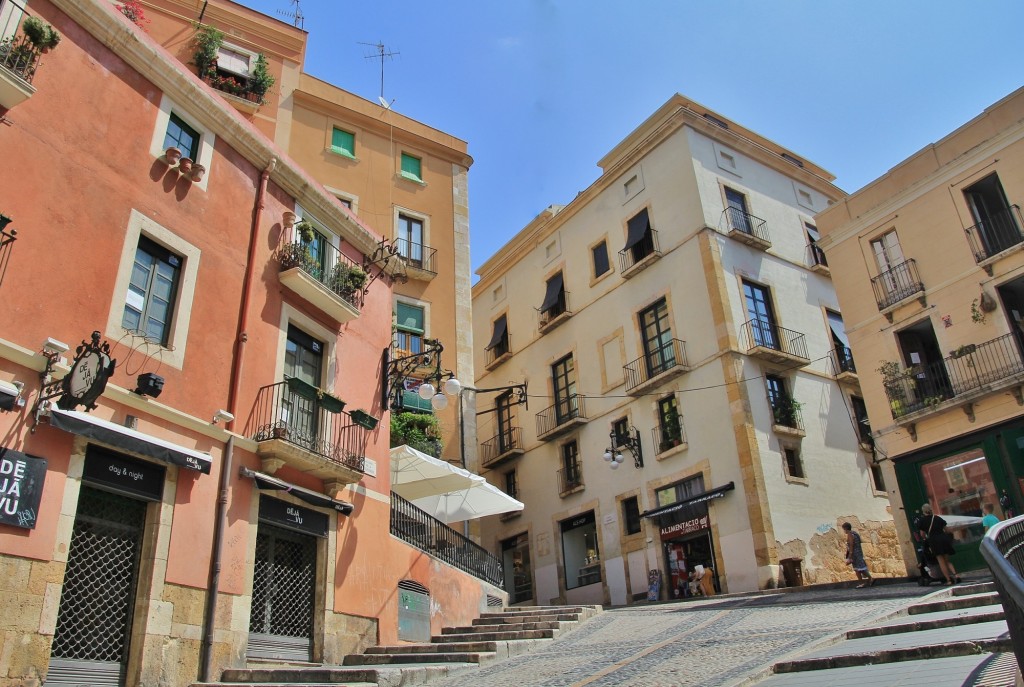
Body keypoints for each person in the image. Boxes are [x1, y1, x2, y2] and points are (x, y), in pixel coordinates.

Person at [919, 503, 960, 585]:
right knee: (947, 561)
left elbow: (922, 534)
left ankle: (948, 580)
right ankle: (956, 575)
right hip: (943, 539)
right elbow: (947, 530)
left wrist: (926, 538)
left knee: (941, 562)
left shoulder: (922, 521)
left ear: (923, 511)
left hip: (934, 541)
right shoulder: (937, 518)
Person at [842, 522, 873, 588]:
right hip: (858, 553)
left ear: (846, 528)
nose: (844, 531)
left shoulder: (850, 534)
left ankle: (863, 582)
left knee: (858, 569)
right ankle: (869, 579)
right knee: (860, 568)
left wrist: (850, 556)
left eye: (844, 529)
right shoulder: (855, 533)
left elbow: (851, 545)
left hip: (855, 554)